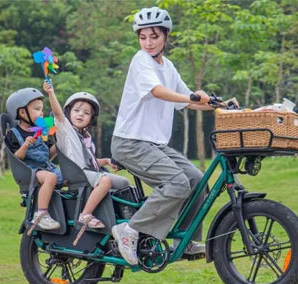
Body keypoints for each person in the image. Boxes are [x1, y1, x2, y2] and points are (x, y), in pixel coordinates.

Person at [110, 7, 226, 265]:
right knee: (177, 184)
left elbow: (186, 101)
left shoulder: (168, 66)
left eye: (154, 36)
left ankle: (186, 240)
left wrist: (219, 104)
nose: (148, 43)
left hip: (153, 144)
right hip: (130, 143)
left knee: (197, 179)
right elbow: (158, 91)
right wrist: (192, 96)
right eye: (143, 37)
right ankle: (130, 230)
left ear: (166, 36)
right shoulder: (141, 61)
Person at [43, 81, 130, 233]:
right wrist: (51, 93)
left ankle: (124, 217)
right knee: (106, 180)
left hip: (88, 172)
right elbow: (57, 114)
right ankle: (85, 214)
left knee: (124, 182)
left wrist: (107, 161)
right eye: (76, 110)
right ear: (69, 112)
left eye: (86, 113)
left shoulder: (86, 138)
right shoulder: (66, 130)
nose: (80, 114)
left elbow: (91, 162)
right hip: (76, 174)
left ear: (91, 119)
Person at [5, 88, 63, 232]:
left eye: (42, 109)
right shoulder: (14, 134)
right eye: (37, 109)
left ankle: (69, 211)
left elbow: (47, 155)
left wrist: (59, 145)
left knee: (71, 176)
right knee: (51, 177)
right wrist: (25, 145)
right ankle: (41, 214)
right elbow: (16, 158)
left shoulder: (41, 131)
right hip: (29, 170)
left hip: (45, 166)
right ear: (22, 112)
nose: (41, 113)